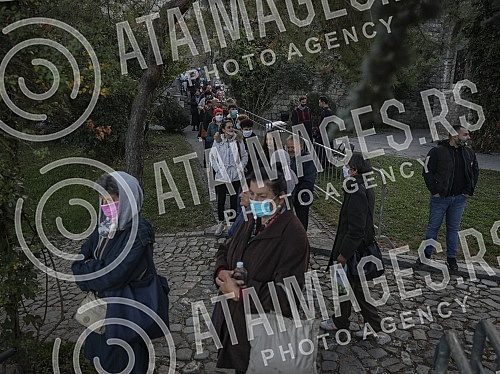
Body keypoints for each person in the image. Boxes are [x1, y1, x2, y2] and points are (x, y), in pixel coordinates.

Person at [213, 167, 310, 373]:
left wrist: (240, 293)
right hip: (235, 322)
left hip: (263, 330)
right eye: (252, 195)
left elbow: (287, 294)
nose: (255, 201)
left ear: (281, 198)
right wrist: (222, 271)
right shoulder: (251, 219)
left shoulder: (293, 234)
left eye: (262, 196)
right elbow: (226, 248)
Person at [72, 171, 156, 373]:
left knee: (124, 362)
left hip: (125, 312)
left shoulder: (138, 233)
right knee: (103, 360)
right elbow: (79, 261)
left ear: (128, 199)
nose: (105, 205)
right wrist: (91, 270)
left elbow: (114, 274)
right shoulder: (105, 226)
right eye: (102, 199)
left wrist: (89, 271)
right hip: (102, 313)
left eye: (112, 199)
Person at [320, 153, 388, 343]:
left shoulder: (356, 190)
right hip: (350, 248)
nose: (345, 169)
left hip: (352, 251)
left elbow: (356, 229)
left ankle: (375, 327)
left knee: (357, 291)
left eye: (348, 166)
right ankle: (340, 320)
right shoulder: (363, 186)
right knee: (343, 287)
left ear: (355, 170)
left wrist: (343, 254)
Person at [419, 124, 479, 271]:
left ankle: (451, 259)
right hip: (440, 198)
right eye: (465, 135)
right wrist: (434, 191)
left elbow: (475, 172)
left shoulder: (469, 153)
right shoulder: (437, 152)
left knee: (453, 229)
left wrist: (468, 190)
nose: (468, 137)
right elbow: (427, 171)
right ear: (454, 136)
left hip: (459, 199)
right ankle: (426, 256)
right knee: (433, 227)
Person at [210, 119, 248, 236]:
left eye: (232, 127)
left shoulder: (238, 140)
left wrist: (240, 168)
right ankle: (221, 222)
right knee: (221, 199)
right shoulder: (218, 141)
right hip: (222, 175)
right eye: (228, 127)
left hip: (235, 175)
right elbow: (212, 157)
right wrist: (218, 169)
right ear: (223, 129)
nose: (231, 129)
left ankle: (232, 223)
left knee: (234, 199)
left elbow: (244, 155)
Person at [286, 135, 317, 231]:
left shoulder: (308, 160)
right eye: (288, 147)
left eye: (293, 147)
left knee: (301, 221)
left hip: (302, 195)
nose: (290, 150)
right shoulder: (288, 158)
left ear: (301, 146)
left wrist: (295, 190)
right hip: (289, 195)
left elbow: (309, 180)